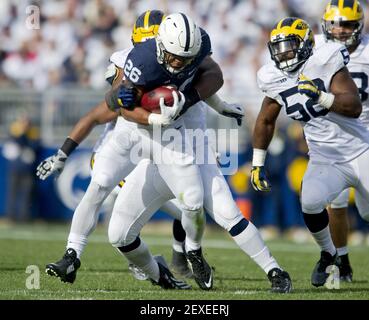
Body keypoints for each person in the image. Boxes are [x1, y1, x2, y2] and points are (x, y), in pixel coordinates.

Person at [251, 16, 369, 287]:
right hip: (325, 157)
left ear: (305, 44)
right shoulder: (272, 77)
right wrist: (258, 163)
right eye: (278, 48)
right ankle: (329, 255)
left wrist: (322, 97)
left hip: (360, 150)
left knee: (366, 214)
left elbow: (354, 106)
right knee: (310, 201)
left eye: (289, 46)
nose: (283, 54)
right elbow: (266, 120)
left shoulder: (325, 60)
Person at [319, 0, 368, 282]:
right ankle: (342, 260)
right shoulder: (314, 48)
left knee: (366, 210)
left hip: (365, 138)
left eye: (346, 24)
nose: (339, 30)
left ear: (358, 25)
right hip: (333, 139)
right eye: (334, 24)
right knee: (334, 204)